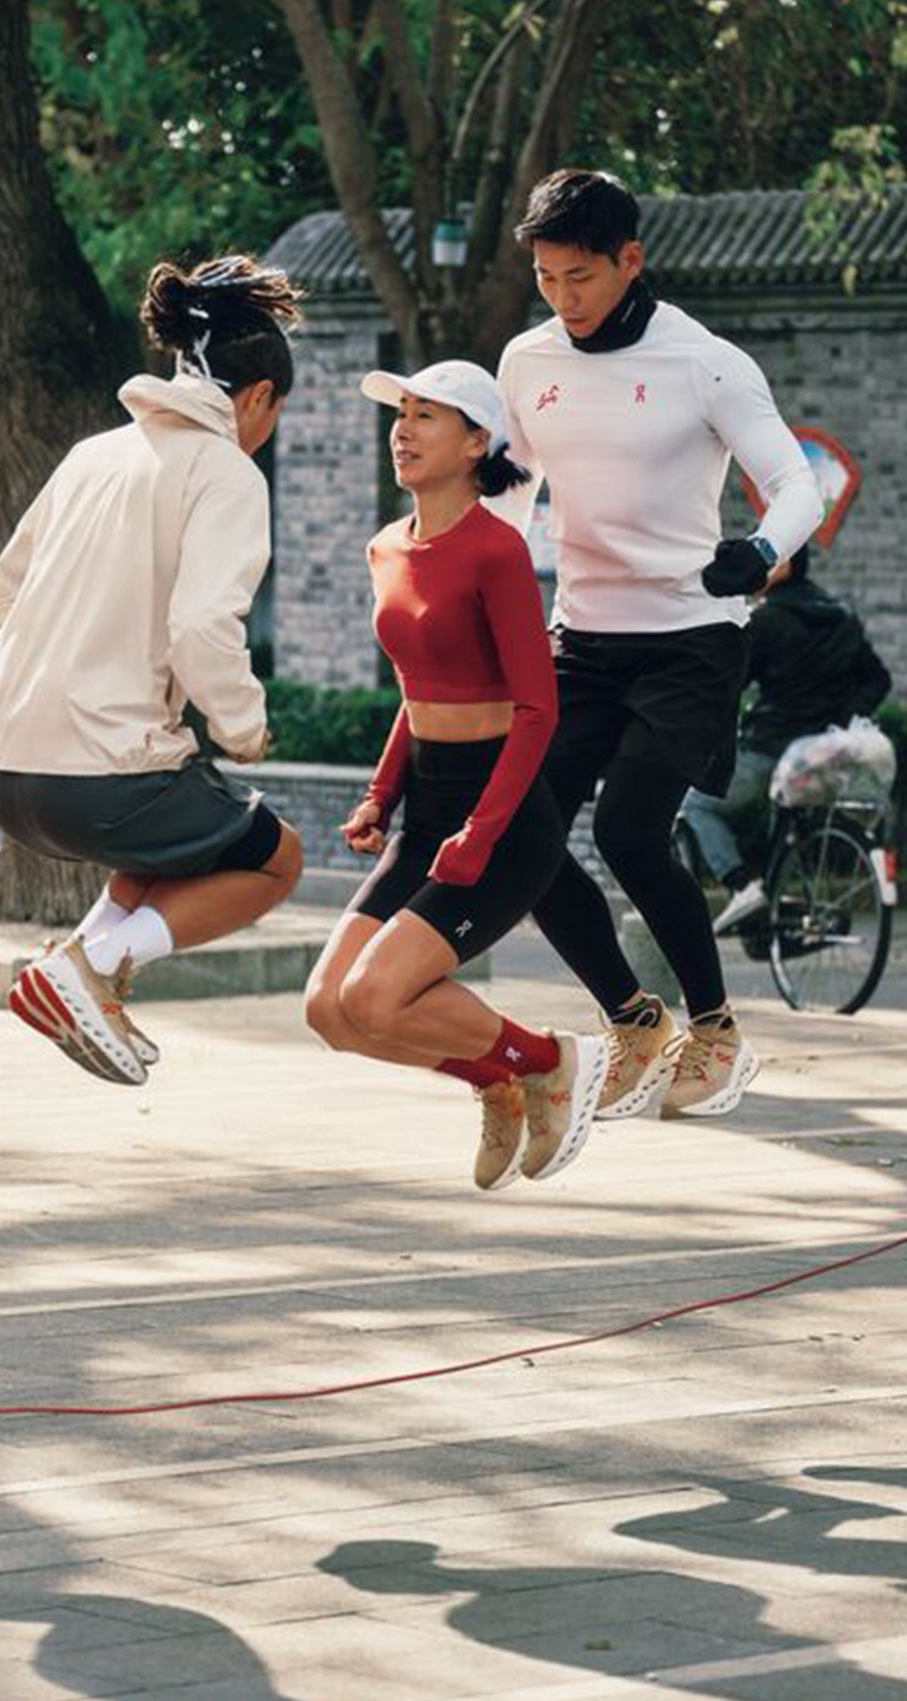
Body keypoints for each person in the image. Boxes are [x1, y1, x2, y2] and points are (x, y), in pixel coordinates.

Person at [493, 169, 824, 1121]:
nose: (564, 300)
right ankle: (634, 1020)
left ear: (631, 260)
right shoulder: (526, 361)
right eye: (547, 279)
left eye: (581, 277)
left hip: (690, 637)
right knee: (521, 827)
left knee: (628, 831)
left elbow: (791, 482)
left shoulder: (704, 362)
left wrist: (761, 550)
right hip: (582, 637)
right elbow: (511, 496)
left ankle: (714, 1030)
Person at [0, 255, 305, 1087]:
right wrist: (244, 728)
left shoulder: (93, 455)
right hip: (100, 778)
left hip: (6, 774)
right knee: (277, 860)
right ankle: (87, 967)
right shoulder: (226, 469)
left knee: (170, 844)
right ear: (258, 396)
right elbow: (201, 628)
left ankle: (88, 972)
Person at [306, 361, 608, 1192]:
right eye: (399, 414)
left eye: (425, 416)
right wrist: (381, 791)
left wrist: (480, 830)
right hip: (427, 803)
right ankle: (498, 1079)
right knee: (329, 1011)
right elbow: (415, 691)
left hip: (504, 816)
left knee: (376, 997)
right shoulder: (385, 547)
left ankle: (551, 1061)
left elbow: (537, 710)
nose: (401, 429)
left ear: (477, 441)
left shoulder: (496, 550)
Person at [681, 543, 893, 933]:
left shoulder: (767, 620)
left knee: (699, 806)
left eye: (770, 560)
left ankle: (743, 888)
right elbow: (878, 680)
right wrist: (843, 719)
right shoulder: (841, 617)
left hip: (773, 747)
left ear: (787, 567)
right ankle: (773, 903)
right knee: (770, 822)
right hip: (825, 755)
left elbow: (732, 685)